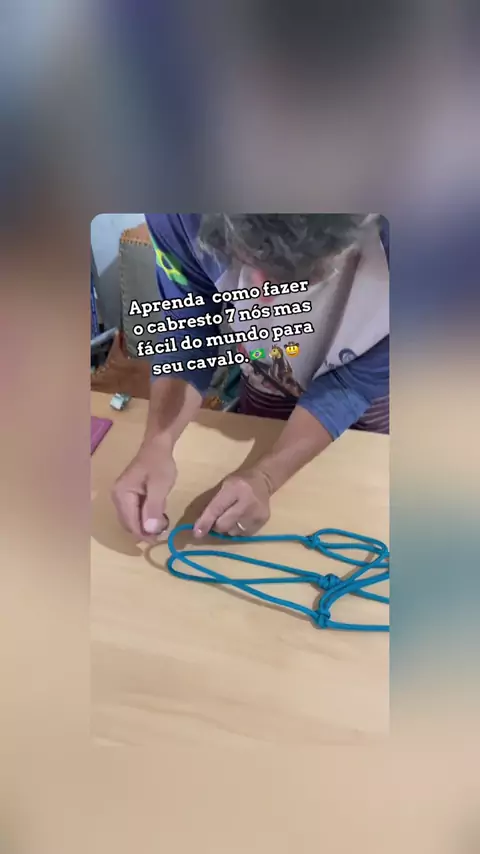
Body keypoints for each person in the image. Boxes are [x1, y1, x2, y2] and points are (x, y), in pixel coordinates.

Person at [112, 213, 389, 542]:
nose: (262, 299)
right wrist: (157, 442)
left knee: (364, 503)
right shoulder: (175, 210)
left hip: (374, 392)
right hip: (266, 380)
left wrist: (269, 475)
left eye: (300, 277)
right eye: (244, 259)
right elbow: (189, 324)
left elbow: (362, 379)